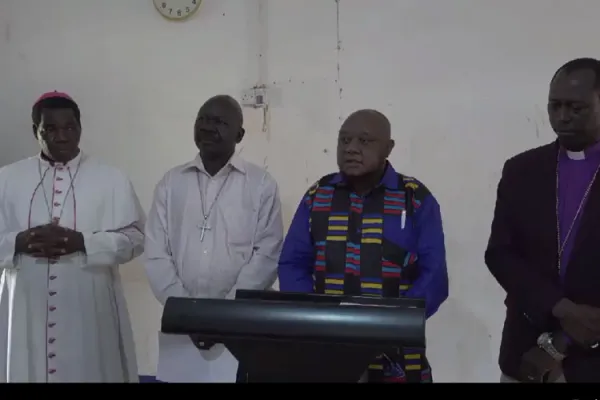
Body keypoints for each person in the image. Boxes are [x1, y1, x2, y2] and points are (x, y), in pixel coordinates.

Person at [277, 109, 449, 383]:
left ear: (388, 148)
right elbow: (293, 264)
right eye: (344, 141)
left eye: (365, 141)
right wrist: (313, 320)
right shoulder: (318, 195)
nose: (352, 149)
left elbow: (434, 276)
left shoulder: (415, 199)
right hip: (327, 352)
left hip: (397, 357)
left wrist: (391, 326)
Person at [0, 91, 144, 382]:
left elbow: (136, 238)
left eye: (69, 128)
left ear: (80, 129)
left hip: (89, 304)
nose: (61, 136)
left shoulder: (112, 178)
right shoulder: (6, 178)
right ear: (35, 132)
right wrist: (18, 242)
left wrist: (84, 242)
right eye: (49, 129)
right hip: (26, 305)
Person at [144, 95, 284, 382]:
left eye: (219, 122)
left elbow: (266, 256)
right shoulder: (171, 183)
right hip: (181, 326)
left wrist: (224, 315)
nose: (207, 128)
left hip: (240, 325)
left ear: (240, 134)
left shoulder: (260, 185)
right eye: (202, 120)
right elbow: (156, 252)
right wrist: (187, 313)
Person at [486, 58, 600, 383]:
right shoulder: (522, 170)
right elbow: (500, 253)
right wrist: (558, 307)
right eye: (555, 106)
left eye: (575, 107)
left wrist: (566, 339)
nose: (562, 117)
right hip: (526, 354)